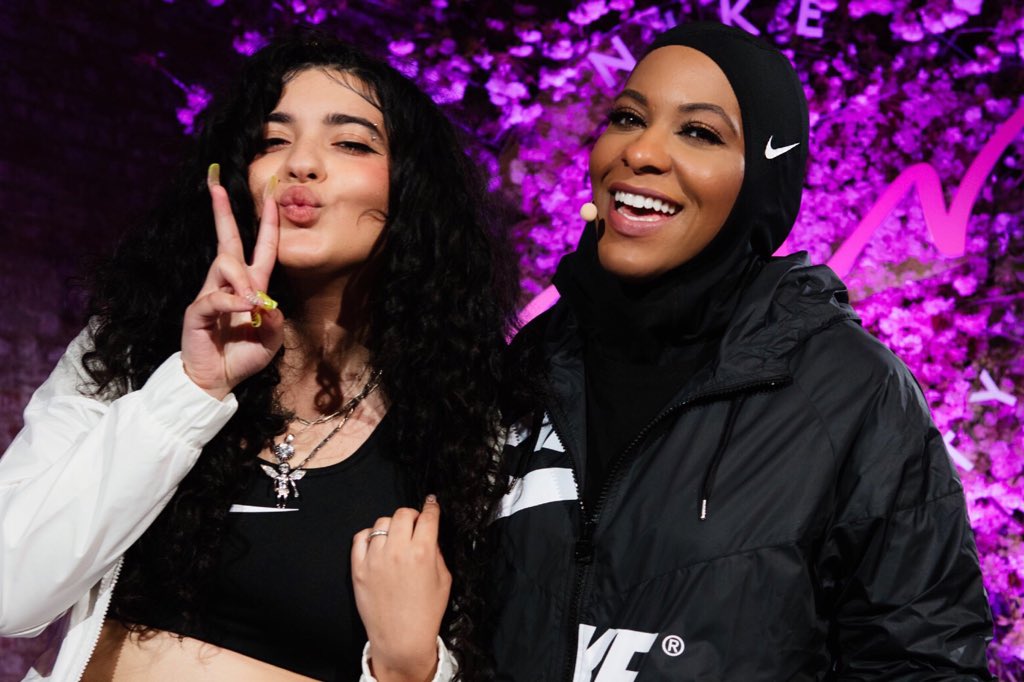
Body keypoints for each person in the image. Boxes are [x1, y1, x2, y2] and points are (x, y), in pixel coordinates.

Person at [486, 21, 995, 680]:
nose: (640, 151)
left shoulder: (849, 391)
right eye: (628, 117)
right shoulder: (535, 360)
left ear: (763, 178)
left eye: (699, 132)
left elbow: (921, 663)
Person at [0, 34, 516, 682]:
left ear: (413, 190)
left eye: (350, 143)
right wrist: (192, 387)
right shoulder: (132, 350)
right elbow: (10, 591)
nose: (301, 163)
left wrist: (411, 667)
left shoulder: (464, 423)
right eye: (272, 140)